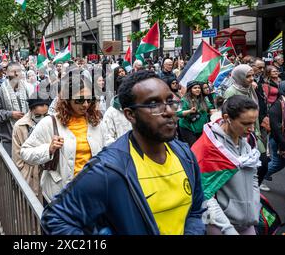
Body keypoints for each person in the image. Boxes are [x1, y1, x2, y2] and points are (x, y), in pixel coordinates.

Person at [41, 71, 205, 235]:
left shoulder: (185, 155)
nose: (169, 111)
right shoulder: (109, 169)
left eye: (170, 101)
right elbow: (54, 219)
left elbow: (195, 211)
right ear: (130, 114)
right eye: (153, 105)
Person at [20, 71, 105, 204]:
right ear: (67, 99)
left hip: (93, 194)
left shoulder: (96, 122)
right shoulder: (50, 123)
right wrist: (48, 149)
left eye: (90, 99)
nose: (86, 104)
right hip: (61, 198)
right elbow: (25, 152)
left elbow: (109, 148)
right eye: (80, 100)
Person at [192, 95, 261, 235]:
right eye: (246, 123)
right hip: (219, 225)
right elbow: (205, 195)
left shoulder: (246, 142)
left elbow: (253, 176)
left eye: (254, 122)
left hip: (247, 220)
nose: (252, 129)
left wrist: (254, 204)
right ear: (226, 117)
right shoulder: (207, 149)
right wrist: (227, 229)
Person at [223, 64, 268, 189]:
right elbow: (228, 115)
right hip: (240, 134)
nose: (252, 79)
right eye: (248, 76)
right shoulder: (231, 92)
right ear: (239, 76)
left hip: (255, 132)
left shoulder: (250, 89)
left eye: (252, 75)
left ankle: (254, 188)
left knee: (263, 163)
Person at [12, 97, 51, 202]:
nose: (42, 119)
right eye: (38, 116)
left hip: (48, 172)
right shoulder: (19, 126)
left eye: (45, 115)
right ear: (31, 111)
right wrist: (25, 172)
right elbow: (17, 157)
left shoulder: (52, 122)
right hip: (29, 175)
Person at [0, 62, 31, 156]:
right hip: (9, 139)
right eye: (13, 71)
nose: (16, 74)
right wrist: (10, 114)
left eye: (19, 71)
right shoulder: (0, 92)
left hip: (27, 137)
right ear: (7, 73)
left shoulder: (27, 88)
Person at [177, 81, 211, 147]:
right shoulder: (184, 100)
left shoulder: (202, 99)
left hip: (200, 128)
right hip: (188, 129)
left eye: (199, 88)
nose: (198, 89)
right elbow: (178, 113)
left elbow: (210, 108)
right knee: (194, 147)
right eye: (195, 88)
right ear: (190, 90)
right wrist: (189, 111)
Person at [265, 81, 285, 181]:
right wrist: (283, 145)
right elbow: (276, 129)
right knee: (277, 163)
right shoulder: (278, 106)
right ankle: (259, 176)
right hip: (279, 141)